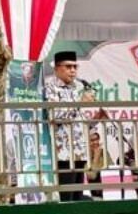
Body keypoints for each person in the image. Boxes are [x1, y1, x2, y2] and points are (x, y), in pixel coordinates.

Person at [45, 50, 100, 202]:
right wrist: (80, 103)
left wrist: (94, 120)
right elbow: (55, 116)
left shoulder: (76, 88)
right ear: (57, 68)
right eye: (68, 66)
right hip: (63, 152)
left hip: (79, 150)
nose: (73, 70)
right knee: (66, 197)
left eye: (75, 67)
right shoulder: (50, 88)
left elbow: (76, 117)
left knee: (77, 197)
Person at [85, 130, 111, 200]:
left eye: (97, 139)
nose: (96, 142)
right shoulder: (84, 156)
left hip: (107, 191)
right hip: (91, 194)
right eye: (92, 140)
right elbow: (91, 176)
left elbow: (111, 171)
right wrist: (96, 158)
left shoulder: (104, 153)